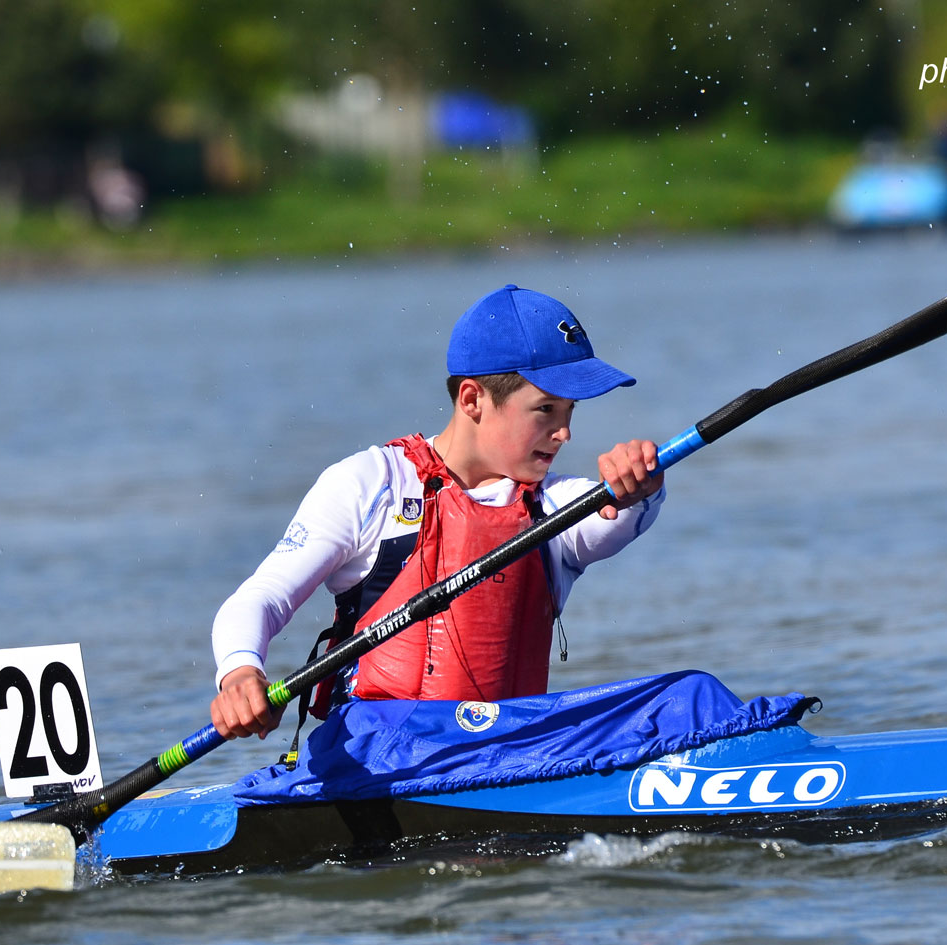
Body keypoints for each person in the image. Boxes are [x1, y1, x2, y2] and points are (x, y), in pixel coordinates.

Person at [209, 284, 666, 740]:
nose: (564, 433)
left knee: (684, 697)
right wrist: (240, 674)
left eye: (570, 411)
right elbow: (262, 597)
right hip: (380, 761)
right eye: (545, 409)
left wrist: (639, 485)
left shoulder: (552, 509)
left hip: (509, 757)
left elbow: (618, 517)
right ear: (472, 400)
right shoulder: (372, 484)